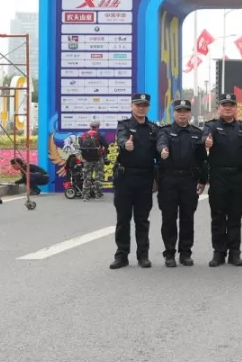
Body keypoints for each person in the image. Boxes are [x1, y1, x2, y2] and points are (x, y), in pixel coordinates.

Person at [203, 93, 242, 268]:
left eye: (231, 105)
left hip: (238, 178)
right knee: (218, 217)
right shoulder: (211, 126)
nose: (228, 108)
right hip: (218, 177)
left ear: (235, 108)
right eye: (224, 105)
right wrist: (206, 142)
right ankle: (218, 253)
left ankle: (235, 253)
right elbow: (205, 139)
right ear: (219, 108)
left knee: (235, 217)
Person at [156, 99, 208, 267]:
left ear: (190, 113)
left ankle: (185, 253)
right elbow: (161, 142)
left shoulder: (197, 133)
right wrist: (163, 150)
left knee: (187, 218)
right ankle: (169, 253)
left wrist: (203, 179)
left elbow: (202, 159)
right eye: (179, 111)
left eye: (185, 111)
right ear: (174, 113)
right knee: (169, 218)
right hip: (168, 180)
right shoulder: (165, 131)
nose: (182, 114)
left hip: (188, 180)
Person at [111, 93, 160, 269]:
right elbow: (121, 138)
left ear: (148, 108)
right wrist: (126, 144)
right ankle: (121, 255)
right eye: (138, 105)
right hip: (125, 178)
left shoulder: (154, 129)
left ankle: (143, 255)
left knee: (142, 219)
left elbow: (159, 152)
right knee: (123, 219)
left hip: (145, 178)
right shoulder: (124, 125)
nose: (141, 108)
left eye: (144, 105)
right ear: (132, 106)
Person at [78, 120, 109, 197]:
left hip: (87, 159)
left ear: (90, 126)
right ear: (98, 127)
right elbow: (106, 145)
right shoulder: (99, 135)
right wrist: (104, 152)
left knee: (86, 177)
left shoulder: (84, 135)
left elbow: (80, 146)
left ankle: (85, 194)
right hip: (98, 158)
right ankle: (98, 194)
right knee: (98, 176)